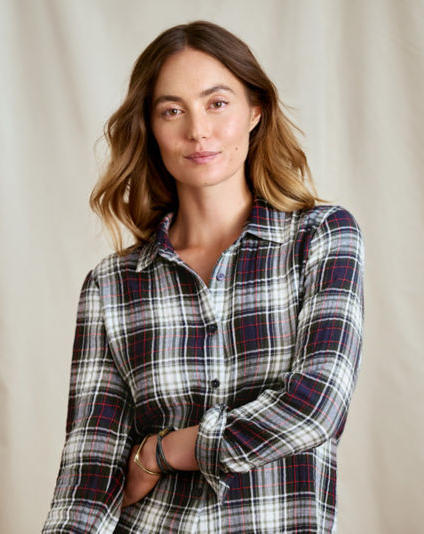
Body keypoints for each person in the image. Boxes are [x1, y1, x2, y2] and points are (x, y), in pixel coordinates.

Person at [43, 20, 363, 533]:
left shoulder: (321, 238)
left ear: (255, 110)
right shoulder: (113, 284)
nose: (197, 130)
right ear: (151, 128)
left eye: (217, 103)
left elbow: (314, 408)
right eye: (172, 111)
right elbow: (90, 469)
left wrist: (164, 451)